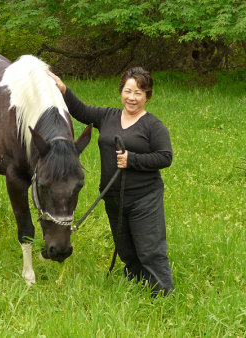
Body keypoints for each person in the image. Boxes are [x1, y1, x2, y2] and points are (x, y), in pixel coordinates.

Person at [48, 67, 174, 296]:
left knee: (149, 251)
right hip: (113, 197)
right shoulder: (107, 116)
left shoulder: (152, 126)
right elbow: (82, 111)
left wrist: (132, 159)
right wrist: (64, 89)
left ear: (147, 96)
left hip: (144, 199)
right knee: (126, 248)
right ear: (121, 91)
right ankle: (136, 280)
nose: (132, 98)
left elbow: (166, 157)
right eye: (128, 91)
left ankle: (163, 294)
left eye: (139, 93)